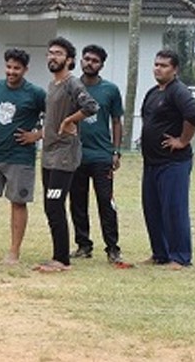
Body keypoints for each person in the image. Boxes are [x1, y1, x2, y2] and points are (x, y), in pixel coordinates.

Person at [0, 48, 45, 264]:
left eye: (16, 68)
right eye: (9, 67)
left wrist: (37, 135)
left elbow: (56, 114)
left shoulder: (35, 93)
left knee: (17, 202)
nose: (11, 72)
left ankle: (14, 250)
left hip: (21, 158)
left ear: (25, 70)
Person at [36, 37, 98, 272]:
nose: (53, 57)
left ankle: (62, 260)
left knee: (54, 204)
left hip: (65, 155)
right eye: (50, 53)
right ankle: (58, 256)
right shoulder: (52, 85)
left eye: (58, 53)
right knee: (50, 206)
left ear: (69, 60)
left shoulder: (73, 84)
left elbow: (91, 106)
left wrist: (71, 120)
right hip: (48, 154)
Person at [140, 49, 195, 270]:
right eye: (156, 64)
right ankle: (160, 253)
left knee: (174, 209)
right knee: (152, 209)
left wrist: (183, 140)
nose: (158, 68)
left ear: (174, 69)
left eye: (164, 65)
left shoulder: (179, 91)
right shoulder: (153, 92)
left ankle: (181, 257)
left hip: (173, 162)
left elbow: (193, 114)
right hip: (152, 162)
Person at [68, 45, 126, 264]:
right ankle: (83, 245)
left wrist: (116, 151)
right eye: (86, 59)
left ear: (101, 65)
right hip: (76, 155)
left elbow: (116, 121)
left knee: (106, 201)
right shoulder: (72, 86)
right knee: (77, 202)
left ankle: (113, 248)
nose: (89, 63)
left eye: (95, 60)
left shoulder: (110, 90)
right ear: (80, 61)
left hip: (102, 156)